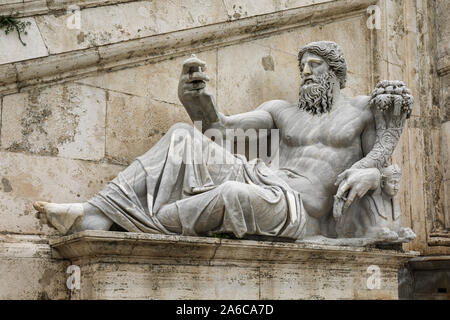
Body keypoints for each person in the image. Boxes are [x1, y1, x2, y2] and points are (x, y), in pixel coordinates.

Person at [33, 41, 414, 242]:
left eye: (314, 66)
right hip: (265, 178)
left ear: (336, 72)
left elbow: (381, 154)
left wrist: (372, 172)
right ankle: (96, 214)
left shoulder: (363, 109)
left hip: (300, 209)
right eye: (303, 67)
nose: (305, 72)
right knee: (183, 136)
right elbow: (221, 128)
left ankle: (149, 220)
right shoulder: (281, 110)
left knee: (233, 192)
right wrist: (196, 101)